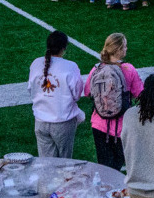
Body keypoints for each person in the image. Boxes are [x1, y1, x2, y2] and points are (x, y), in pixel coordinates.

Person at [86, 33, 145, 169]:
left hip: (98, 124)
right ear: (118, 50)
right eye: (124, 46)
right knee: (118, 164)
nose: (126, 49)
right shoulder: (128, 69)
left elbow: (87, 91)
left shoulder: (96, 68)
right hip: (120, 126)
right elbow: (139, 94)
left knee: (104, 166)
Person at [29, 30, 85, 158]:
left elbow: (30, 89)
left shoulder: (36, 63)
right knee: (65, 164)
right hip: (62, 121)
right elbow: (77, 94)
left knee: (46, 164)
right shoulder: (70, 66)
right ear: (64, 48)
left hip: (40, 120)